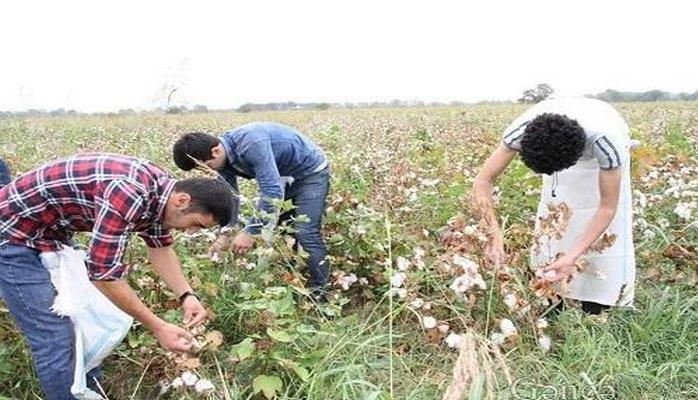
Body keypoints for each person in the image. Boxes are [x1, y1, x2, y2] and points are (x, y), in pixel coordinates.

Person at [0, 153, 237, 399]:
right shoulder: (130, 192)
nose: (190, 232)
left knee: (79, 325)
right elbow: (103, 274)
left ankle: (90, 393)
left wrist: (187, 295)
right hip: (11, 232)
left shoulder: (163, 196)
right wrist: (158, 326)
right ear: (182, 200)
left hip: (50, 233)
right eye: (196, 224)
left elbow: (161, 249)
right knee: (54, 338)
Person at [472, 98, 635, 314]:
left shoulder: (608, 142)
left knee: (607, 237)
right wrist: (493, 233)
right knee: (555, 215)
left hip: (601, 156)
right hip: (560, 146)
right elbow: (483, 181)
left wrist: (572, 256)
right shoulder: (523, 131)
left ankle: (597, 307)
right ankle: (550, 299)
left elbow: (607, 208)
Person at [173, 122, 331, 298]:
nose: (208, 171)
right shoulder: (222, 158)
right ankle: (294, 279)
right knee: (286, 228)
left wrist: (250, 232)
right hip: (281, 176)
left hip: (309, 174)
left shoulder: (251, 144)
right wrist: (225, 234)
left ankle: (320, 294)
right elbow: (230, 197)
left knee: (305, 231)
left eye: (208, 166)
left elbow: (272, 192)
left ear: (216, 151)